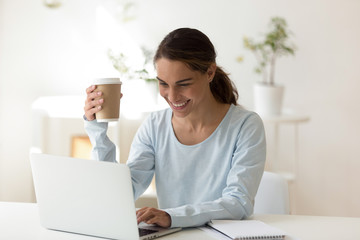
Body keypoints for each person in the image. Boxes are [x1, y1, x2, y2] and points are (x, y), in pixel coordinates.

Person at [83, 28, 266, 228]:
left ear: (210, 73)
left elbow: (238, 203)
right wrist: (96, 128)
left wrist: (171, 217)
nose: (172, 96)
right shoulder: (155, 126)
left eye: (183, 84)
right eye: (163, 84)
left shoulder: (245, 126)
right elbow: (118, 194)